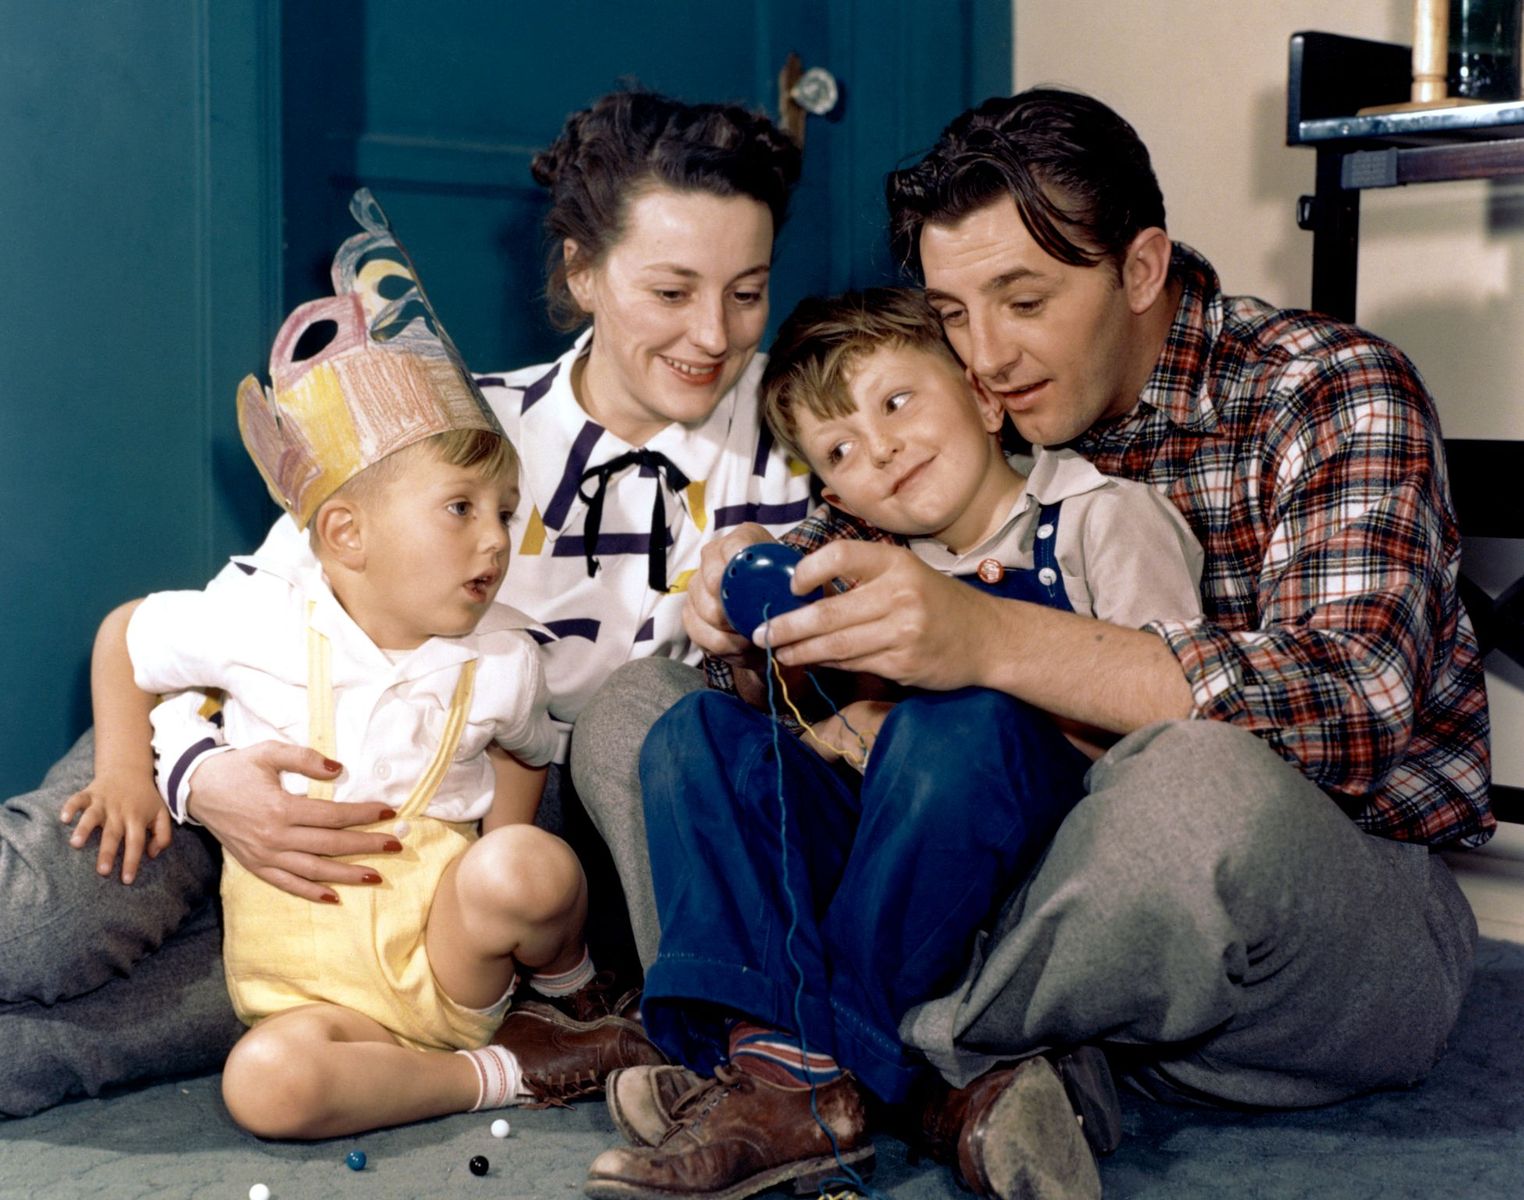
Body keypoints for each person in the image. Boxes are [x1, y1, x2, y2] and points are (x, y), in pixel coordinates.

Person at [586, 88, 1491, 1200]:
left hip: (1285, 929)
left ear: (1143, 269)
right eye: (952, 317)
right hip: (983, 889)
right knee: (639, 709)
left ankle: (792, 1052)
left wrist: (985, 641)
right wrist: (741, 623)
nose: (987, 359)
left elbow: (1353, 711)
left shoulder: (1329, 388)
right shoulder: (936, 424)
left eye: (1024, 301)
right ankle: (933, 1078)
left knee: (1196, 785)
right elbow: (792, 673)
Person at [0, 90, 807, 1118]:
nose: (713, 333)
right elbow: (235, 629)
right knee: (33, 926)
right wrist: (208, 781)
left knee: (94, 1046)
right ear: (583, 273)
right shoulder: (450, 430)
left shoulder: (801, 454)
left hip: (450, 865)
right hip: (236, 745)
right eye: (671, 290)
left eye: (747, 293)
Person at [66, 191, 668, 1138]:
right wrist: (121, 769)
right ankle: (509, 1074)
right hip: (310, 995)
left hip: (447, 964)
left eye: (505, 511)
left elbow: (523, 755)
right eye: (461, 509)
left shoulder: (503, 659)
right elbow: (127, 635)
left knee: (529, 865)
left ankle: (571, 1001)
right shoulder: (261, 622)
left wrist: (496, 867)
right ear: (344, 533)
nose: (497, 540)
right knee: (265, 1087)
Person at [579, 284, 1203, 1198]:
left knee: (962, 722)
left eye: (897, 401)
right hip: (886, 871)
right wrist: (807, 690)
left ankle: (785, 1075)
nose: (880, 447)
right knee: (697, 733)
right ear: (835, 493)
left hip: (1033, 877)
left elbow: (1176, 734)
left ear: (987, 401)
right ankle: (808, 1067)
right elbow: (807, 727)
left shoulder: (1102, 516)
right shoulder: (871, 568)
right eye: (841, 449)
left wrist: (960, 691)